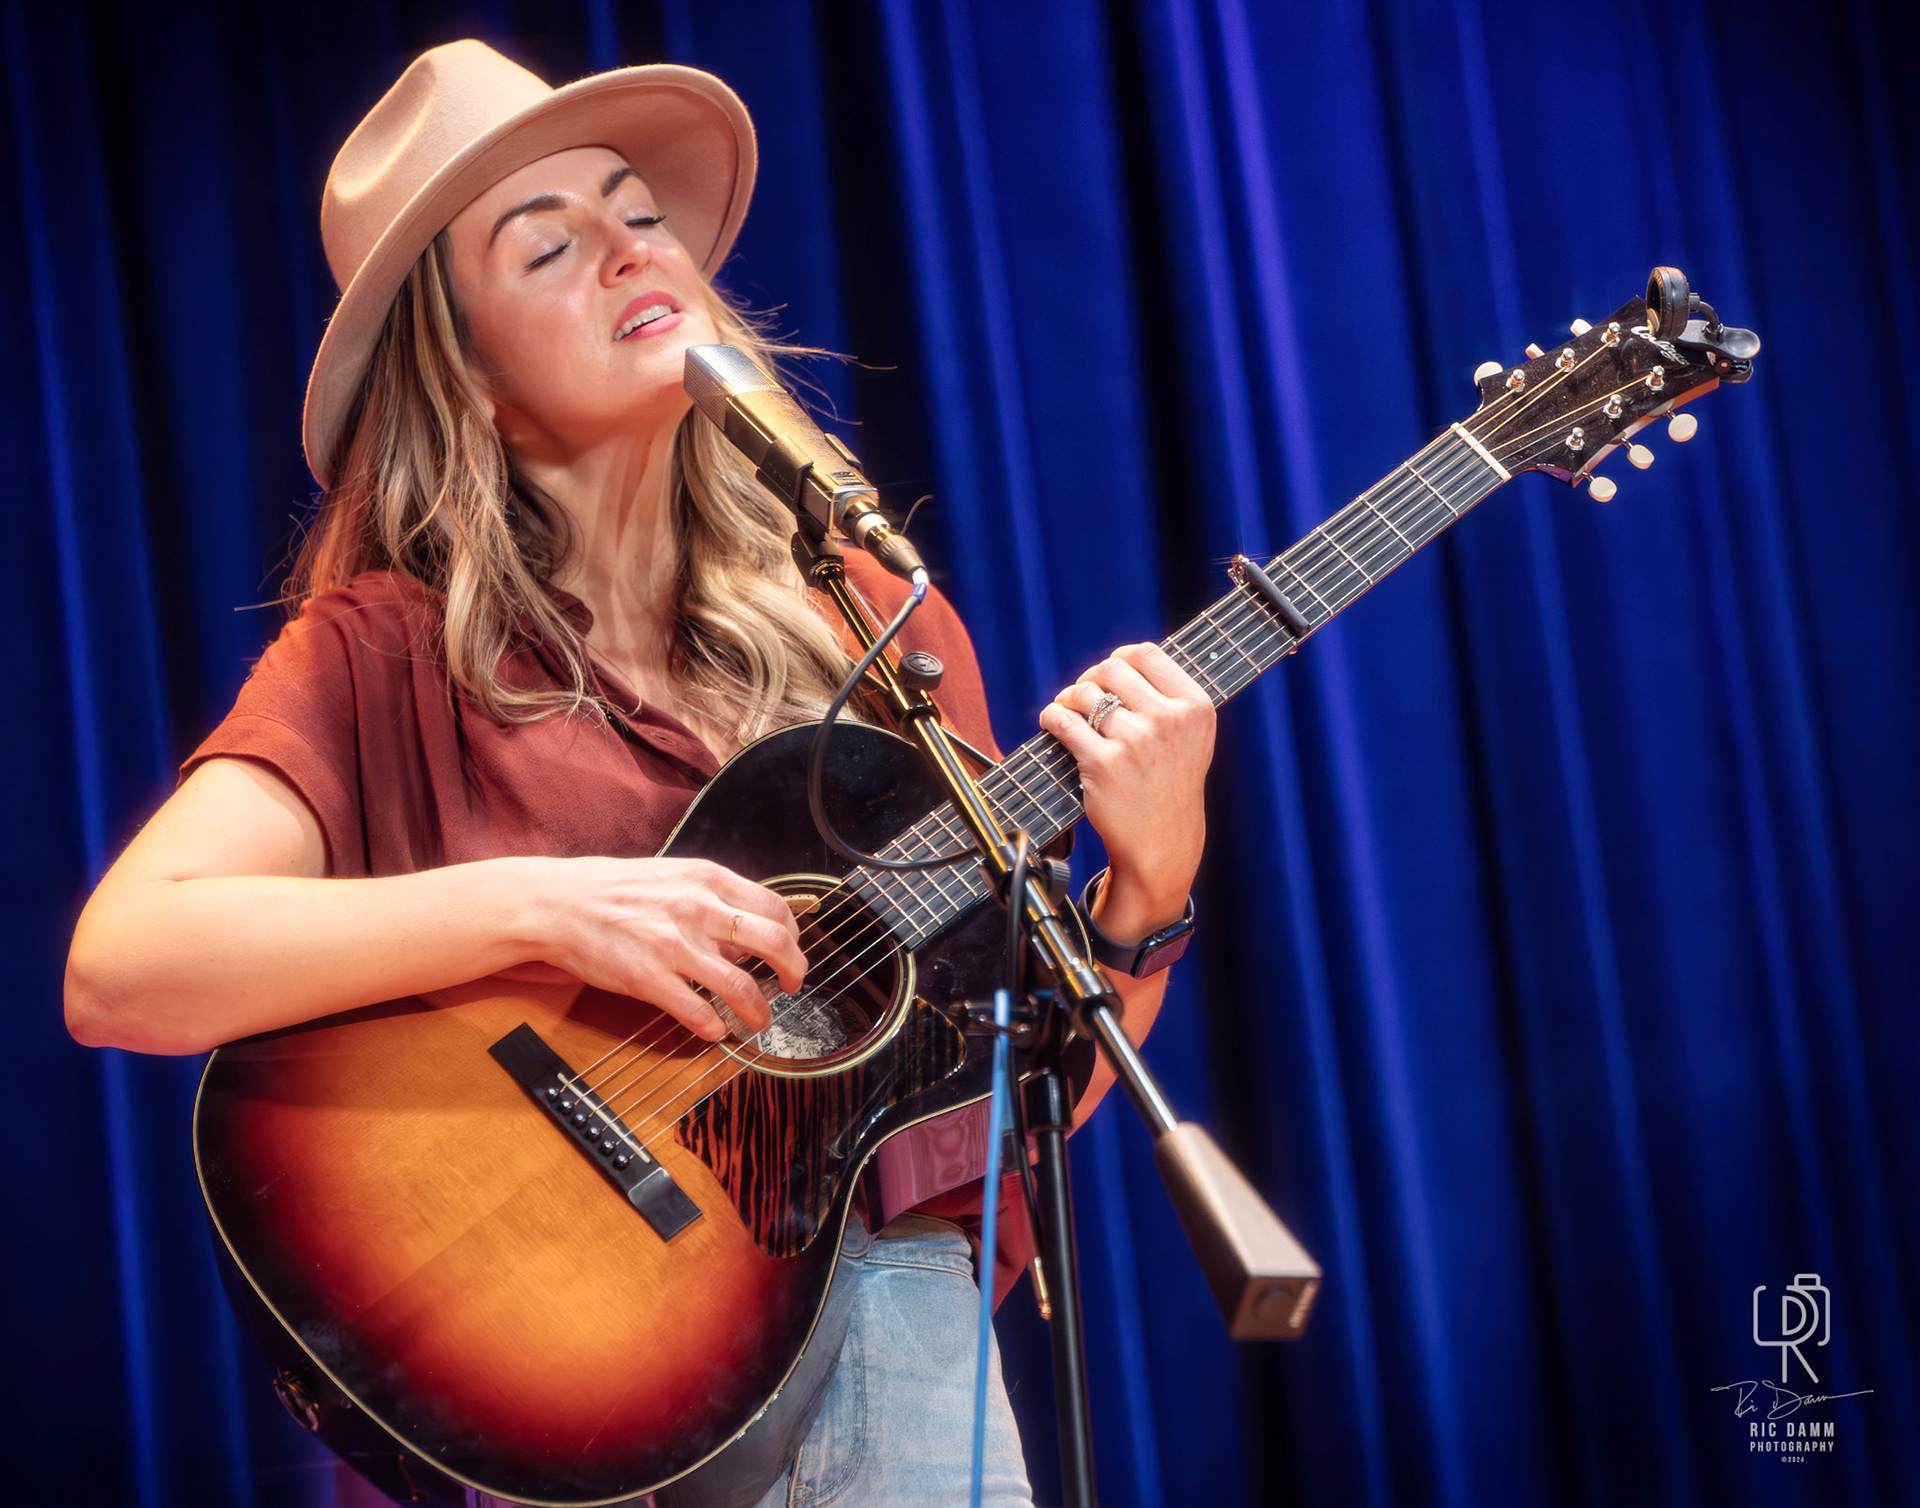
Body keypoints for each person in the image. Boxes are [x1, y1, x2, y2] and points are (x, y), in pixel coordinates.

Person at [63, 39, 1214, 1508]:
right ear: (470, 381)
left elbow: (995, 1119)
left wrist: (1149, 887)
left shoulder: (881, 628)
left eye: (639, 213)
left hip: (891, 1348)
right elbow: (125, 965)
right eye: (548, 246)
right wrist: (547, 909)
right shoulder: (380, 653)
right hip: (554, 1383)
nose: (627, 251)